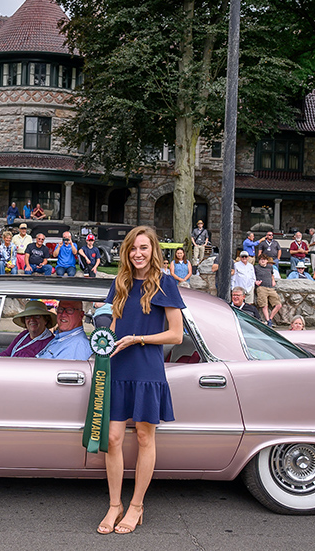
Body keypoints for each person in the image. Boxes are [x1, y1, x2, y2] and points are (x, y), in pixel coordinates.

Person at [98, 225, 184, 535]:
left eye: (144, 248)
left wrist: (138, 339)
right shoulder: (119, 282)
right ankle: (114, 505)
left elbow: (176, 334)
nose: (138, 253)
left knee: (146, 438)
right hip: (117, 366)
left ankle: (136, 506)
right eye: (133, 248)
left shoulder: (165, 283)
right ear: (127, 252)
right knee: (112, 439)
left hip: (147, 367)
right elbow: (109, 322)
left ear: (153, 250)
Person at [253, 254, 281, 326]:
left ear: (267, 261)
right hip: (261, 287)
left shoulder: (270, 267)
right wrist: (255, 282)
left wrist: (273, 281)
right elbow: (252, 276)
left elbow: (272, 275)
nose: (263, 261)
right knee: (264, 305)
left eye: (264, 259)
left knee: (278, 305)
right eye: (261, 259)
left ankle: (270, 318)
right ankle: (268, 320)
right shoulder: (256, 267)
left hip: (270, 288)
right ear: (259, 261)